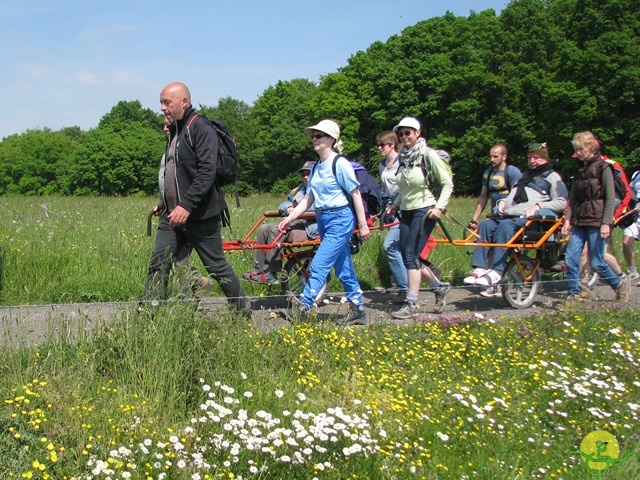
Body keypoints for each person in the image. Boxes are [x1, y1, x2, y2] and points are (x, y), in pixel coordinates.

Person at [141, 82, 250, 317]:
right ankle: (148, 317)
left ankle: (243, 314)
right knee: (158, 264)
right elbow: (175, 172)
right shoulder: (175, 131)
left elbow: (206, 172)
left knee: (216, 267)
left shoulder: (200, 127)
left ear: (184, 102)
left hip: (201, 214)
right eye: (161, 102)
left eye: (166, 102)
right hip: (173, 214)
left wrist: (186, 205)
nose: (162, 108)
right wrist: (165, 201)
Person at [278, 119, 370, 326]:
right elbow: (308, 199)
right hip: (323, 219)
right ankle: (359, 310)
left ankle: (303, 307)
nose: (314, 139)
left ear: (331, 139)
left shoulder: (340, 164)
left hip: (340, 218)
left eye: (319, 135)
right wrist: (290, 217)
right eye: (313, 136)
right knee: (343, 267)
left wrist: (363, 224)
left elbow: (355, 194)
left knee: (319, 264)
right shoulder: (316, 168)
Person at [464, 142, 568, 288]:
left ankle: (496, 270)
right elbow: (511, 196)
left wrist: (539, 207)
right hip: (511, 216)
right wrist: (502, 202)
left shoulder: (552, 177)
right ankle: (480, 268)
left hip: (532, 221)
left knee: (506, 225)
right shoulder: (524, 177)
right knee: (485, 224)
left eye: (537, 158)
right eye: (530, 157)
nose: (532, 161)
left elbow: (562, 202)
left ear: (545, 159)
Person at [386, 117, 454, 318]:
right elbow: (406, 187)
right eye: (401, 133)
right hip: (406, 210)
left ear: (418, 133)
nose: (404, 136)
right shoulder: (404, 158)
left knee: (410, 256)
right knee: (410, 256)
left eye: (408, 132)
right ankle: (438, 287)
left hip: (425, 210)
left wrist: (439, 207)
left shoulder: (428, 155)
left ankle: (411, 303)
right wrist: (396, 203)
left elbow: (447, 183)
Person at [561, 131, 630, 302]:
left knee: (597, 261)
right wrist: (567, 220)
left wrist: (606, 222)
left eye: (581, 149)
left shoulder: (604, 168)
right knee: (570, 259)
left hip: (597, 220)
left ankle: (619, 284)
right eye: (576, 149)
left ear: (591, 147)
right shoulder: (578, 170)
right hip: (578, 220)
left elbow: (609, 197)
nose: (578, 153)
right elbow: (573, 198)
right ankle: (573, 294)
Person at [154, 118, 212, 295]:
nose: (165, 128)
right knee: (175, 256)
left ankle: (193, 289)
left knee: (178, 256)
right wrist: (163, 203)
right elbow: (171, 182)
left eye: (168, 124)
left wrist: (185, 206)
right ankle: (193, 287)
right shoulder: (170, 148)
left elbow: (190, 181)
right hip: (173, 210)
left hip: (189, 213)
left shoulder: (183, 148)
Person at [242, 160, 319, 284]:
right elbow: (285, 202)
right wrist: (288, 208)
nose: (305, 177)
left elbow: (318, 208)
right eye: (303, 174)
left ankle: (271, 272)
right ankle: (259, 270)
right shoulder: (300, 190)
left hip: (311, 226)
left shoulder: (322, 189)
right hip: (296, 223)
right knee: (263, 228)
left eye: (309, 174)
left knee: (276, 229)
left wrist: (295, 213)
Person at [466, 144, 522, 297]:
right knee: (484, 225)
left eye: (495, 156)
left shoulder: (512, 172)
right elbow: (483, 197)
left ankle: (497, 274)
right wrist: (475, 218)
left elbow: (519, 194)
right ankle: (480, 268)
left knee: (501, 234)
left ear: (504, 157)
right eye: (491, 156)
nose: (492, 159)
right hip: (494, 216)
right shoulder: (488, 174)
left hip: (511, 217)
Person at [376, 130, 408, 298]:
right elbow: (383, 189)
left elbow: (405, 188)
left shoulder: (401, 162)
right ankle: (403, 285)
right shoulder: (382, 164)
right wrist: (379, 210)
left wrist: (396, 204)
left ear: (392, 144)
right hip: (389, 209)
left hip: (403, 209)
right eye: (379, 145)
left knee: (390, 246)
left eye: (383, 145)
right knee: (400, 249)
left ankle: (405, 289)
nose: (380, 148)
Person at [622, 171, 640, 281]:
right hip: (636, 213)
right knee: (626, 241)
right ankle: (632, 271)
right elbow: (630, 189)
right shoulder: (637, 174)